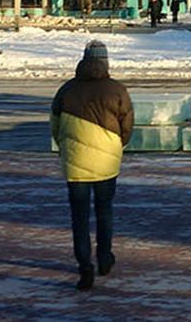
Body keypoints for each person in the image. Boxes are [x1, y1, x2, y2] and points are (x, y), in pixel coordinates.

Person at [51, 39, 134, 291]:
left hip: (75, 163)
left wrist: (67, 148)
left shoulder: (66, 90)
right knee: (104, 210)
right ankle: (105, 258)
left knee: (79, 217)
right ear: (106, 61)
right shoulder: (117, 90)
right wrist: (117, 146)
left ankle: (85, 267)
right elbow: (127, 125)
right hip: (107, 162)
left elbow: (55, 128)